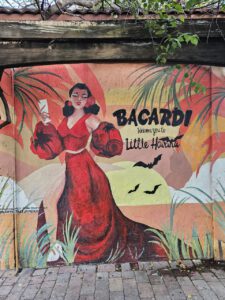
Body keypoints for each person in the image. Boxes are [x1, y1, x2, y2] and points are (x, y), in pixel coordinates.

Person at [30, 83, 167, 263]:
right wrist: (46, 122)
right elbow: (57, 144)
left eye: (83, 95)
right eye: (76, 95)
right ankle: (56, 245)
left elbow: (108, 137)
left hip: (83, 167)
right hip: (68, 165)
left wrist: (98, 150)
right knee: (51, 199)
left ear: (88, 99)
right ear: (70, 97)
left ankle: (58, 245)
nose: (79, 98)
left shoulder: (90, 119)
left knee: (64, 203)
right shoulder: (66, 119)